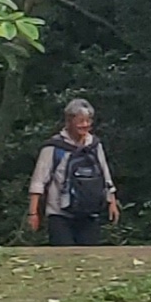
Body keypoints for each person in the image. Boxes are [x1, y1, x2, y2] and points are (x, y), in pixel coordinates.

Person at [27, 99, 120, 245]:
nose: (85, 125)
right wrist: (33, 213)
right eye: (80, 121)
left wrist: (112, 203)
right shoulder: (53, 147)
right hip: (59, 213)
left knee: (89, 255)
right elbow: (38, 181)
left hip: (89, 212)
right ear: (69, 121)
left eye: (88, 121)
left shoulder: (94, 146)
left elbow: (105, 176)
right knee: (63, 254)